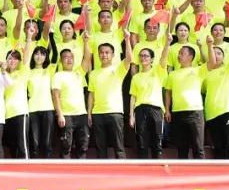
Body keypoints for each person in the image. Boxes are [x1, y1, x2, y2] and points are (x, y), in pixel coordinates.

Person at [128, 28, 172, 159]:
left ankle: (158, 168)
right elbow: (133, 97)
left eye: (146, 56)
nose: (143, 58)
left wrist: (167, 44)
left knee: (157, 141)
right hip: (140, 110)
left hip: (156, 109)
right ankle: (143, 169)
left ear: (152, 59)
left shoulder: (158, 71)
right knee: (141, 142)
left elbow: (163, 58)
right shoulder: (136, 77)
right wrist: (131, 116)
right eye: (141, 56)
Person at [87, 35, 133, 159]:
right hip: (97, 113)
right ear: (98, 55)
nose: (104, 55)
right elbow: (91, 94)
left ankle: (122, 169)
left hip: (115, 113)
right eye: (101, 52)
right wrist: (89, 113)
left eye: (107, 52)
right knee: (100, 147)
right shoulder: (93, 73)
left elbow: (129, 59)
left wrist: (127, 40)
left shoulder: (118, 69)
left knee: (119, 146)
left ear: (113, 55)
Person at [202, 34, 229, 159]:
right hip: (211, 114)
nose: (216, 56)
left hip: (227, 111)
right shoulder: (204, 73)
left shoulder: (228, 69)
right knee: (218, 148)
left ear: (223, 58)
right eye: (213, 53)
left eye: (219, 53)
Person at [164, 45, 206, 159]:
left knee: (198, 146)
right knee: (182, 147)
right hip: (178, 113)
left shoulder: (199, 70)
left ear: (190, 57)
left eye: (182, 53)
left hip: (195, 112)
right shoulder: (172, 74)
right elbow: (168, 92)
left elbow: (212, 62)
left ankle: (201, 169)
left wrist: (209, 45)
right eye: (179, 53)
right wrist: (167, 110)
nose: (179, 55)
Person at [53, 36, 91, 159]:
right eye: (65, 57)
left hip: (81, 114)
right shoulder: (58, 75)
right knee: (66, 146)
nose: (69, 60)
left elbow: (87, 59)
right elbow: (56, 96)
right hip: (66, 115)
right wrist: (60, 114)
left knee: (83, 145)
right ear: (61, 60)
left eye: (71, 57)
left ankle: (82, 168)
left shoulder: (79, 73)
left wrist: (86, 42)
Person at [25, 46, 56, 158]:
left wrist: (51, 37)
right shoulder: (27, 71)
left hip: (48, 108)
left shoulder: (49, 70)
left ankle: (47, 165)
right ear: (33, 56)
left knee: (47, 142)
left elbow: (55, 54)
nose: (39, 56)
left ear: (46, 57)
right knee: (35, 143)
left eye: (42, 54)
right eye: (37, 53)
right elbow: (25, 59)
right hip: (32, 109)